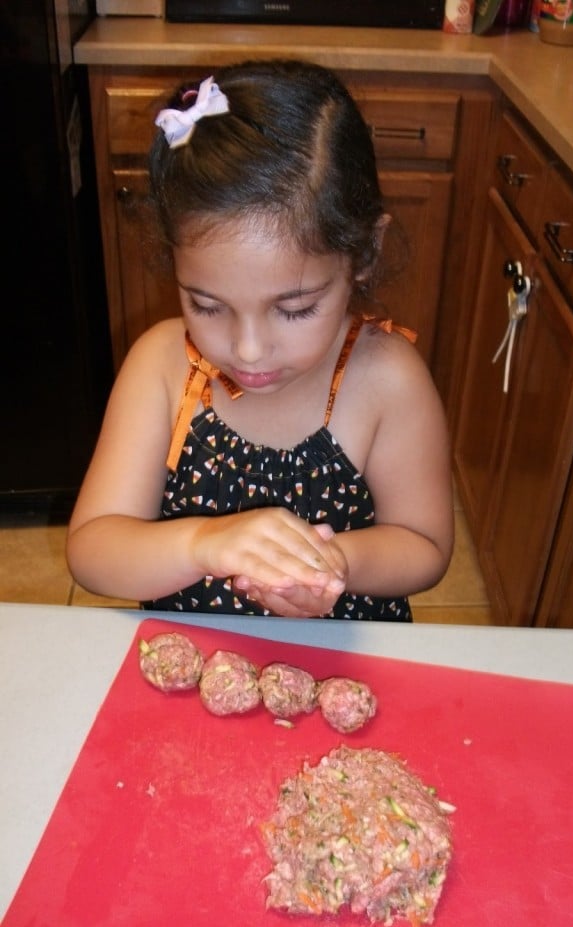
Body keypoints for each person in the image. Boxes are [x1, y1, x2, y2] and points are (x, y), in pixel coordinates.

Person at [66, 60, 454, 620]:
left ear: (363, 255)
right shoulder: (161, 366)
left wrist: (331, 562)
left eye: (294, 309)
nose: (247, 350)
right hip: (194, 669)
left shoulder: (389, 379)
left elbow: (426, 546)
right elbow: (92, 550)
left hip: (341, 664)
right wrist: (203, 544)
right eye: (206, 305)